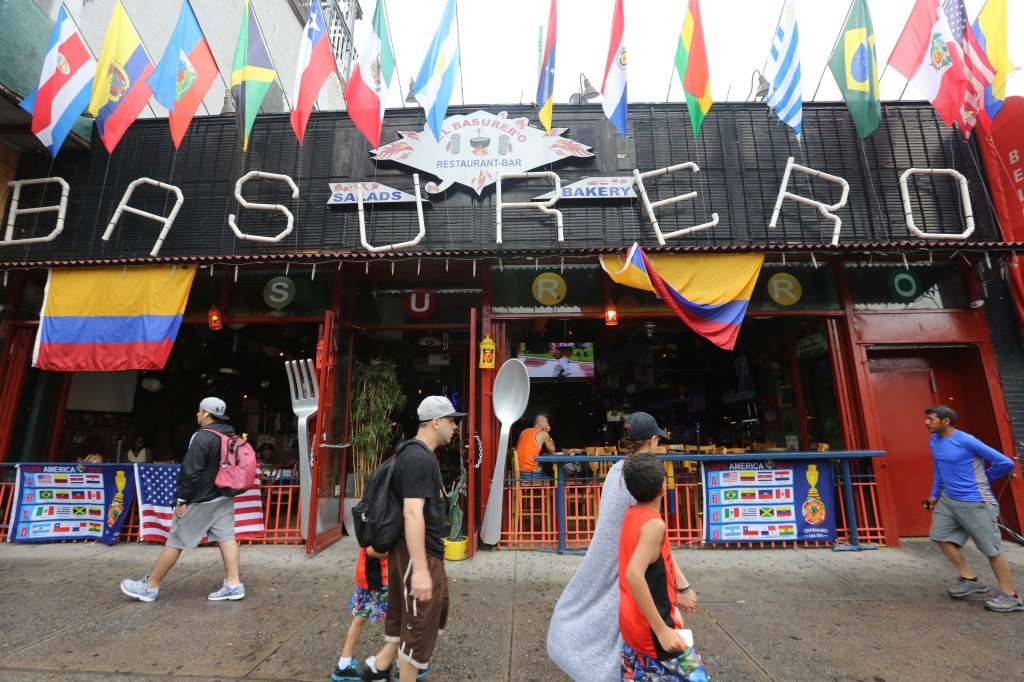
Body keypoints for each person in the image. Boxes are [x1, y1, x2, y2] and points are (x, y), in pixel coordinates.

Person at [547, 411, 670, 681]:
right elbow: (650, 532)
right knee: (616, 621)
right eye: (657, 441)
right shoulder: (642, 479)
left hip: (610, 555)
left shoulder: (618, 468)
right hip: (624, 558)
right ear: (650, 441)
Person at [359, 396, 463, 682]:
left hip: (420, 552)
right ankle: (387, 670)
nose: (456, 426)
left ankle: (379, 667)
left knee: (425, 612)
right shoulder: (417, 458)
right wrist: (419, 569)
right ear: (436, 422)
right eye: (453, 420)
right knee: (419, 624)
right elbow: (412, 514)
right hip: (418, 554)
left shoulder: (417, 453)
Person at [120, 397, 245, 603]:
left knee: (176, 540)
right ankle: (233, 584)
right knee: (226, 537)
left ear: (206, 413)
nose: (197, 414)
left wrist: (181, 499)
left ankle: (150, 586)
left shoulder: (202, 437)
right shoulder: (230, 435)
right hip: (224, 496)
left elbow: (191, 471)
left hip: (200, 498)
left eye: (199, 411)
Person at [923, 405, 1022, 613]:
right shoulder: (934, 440)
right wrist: (934, 494)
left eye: (931, 419)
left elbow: (1004, 463)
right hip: (949, 499)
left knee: (991, 549)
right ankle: (970, 577)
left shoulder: (966, 440)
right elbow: (938, 468)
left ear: (945, 421)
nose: (927, 422)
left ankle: (1009, 595)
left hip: (975, 502)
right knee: (940, 535)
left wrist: (984, 479)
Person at [619, 453, 705, 681]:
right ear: (663, 488)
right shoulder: (654, 525)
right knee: (696, 675)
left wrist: (681, 589)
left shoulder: (632, 514)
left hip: (632, 625)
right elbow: (634, 574)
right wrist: (661, 629)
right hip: (656, 632)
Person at [330, 546, 389, 681]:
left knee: (362, 617)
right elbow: (372, 549)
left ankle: (344, 664)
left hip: (371, 574)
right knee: (398, 618)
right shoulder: (373, 524)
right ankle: (399, 665)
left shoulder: (366, 523)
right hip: (379, 576)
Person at [515, 413, 556, 480]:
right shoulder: (544, 434)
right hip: (531, 471)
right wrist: (547, 433)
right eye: (547, 422)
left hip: (518, 471)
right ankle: (551, 489)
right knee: (551, 470)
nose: (548, 424)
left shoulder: (524, 431)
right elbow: (552, 450)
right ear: (540, 422)